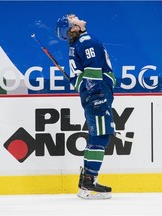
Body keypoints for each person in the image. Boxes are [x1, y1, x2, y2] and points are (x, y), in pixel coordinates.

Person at [55, 13, 116, 199]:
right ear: (73, 28)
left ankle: (88, 180)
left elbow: (81, 74)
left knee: (99, 135)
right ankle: (89, 182)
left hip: (93, 92)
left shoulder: (77, 43)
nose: (76, 17)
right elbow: (92, 71)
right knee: (100, 136)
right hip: (96, 92)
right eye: (72, 18)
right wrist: (96, 94)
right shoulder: (87, 41)